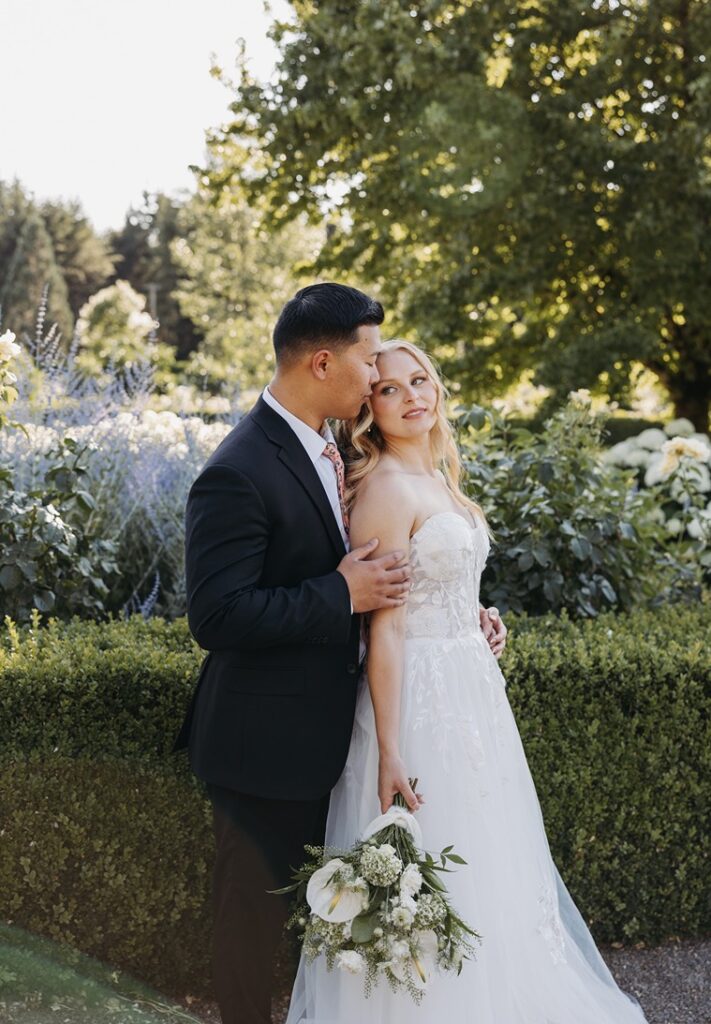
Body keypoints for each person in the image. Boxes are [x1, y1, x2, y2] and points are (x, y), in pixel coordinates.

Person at [285, 339, 651, 1024]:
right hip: (416, 701)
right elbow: (384, 629)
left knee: (488, 853)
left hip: (469, 687)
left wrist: (475, 615)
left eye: (419, 381)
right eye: (390, 389)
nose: (411, 396)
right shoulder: (385, 488)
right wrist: (389, 750)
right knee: (432, 850)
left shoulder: (438, 478)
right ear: (369, 407)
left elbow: (438, 581)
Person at [171, 284, 508, 1024]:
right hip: (264, 740)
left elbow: (390, 575)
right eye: (367, 361)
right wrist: (337, 593)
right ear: (323, 362)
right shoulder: (238, 468)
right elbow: (217, 615)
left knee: (332, 923)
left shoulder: (332, 445)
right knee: (250, 923)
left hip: (340, 727)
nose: (376, 374)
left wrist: (455, 615)